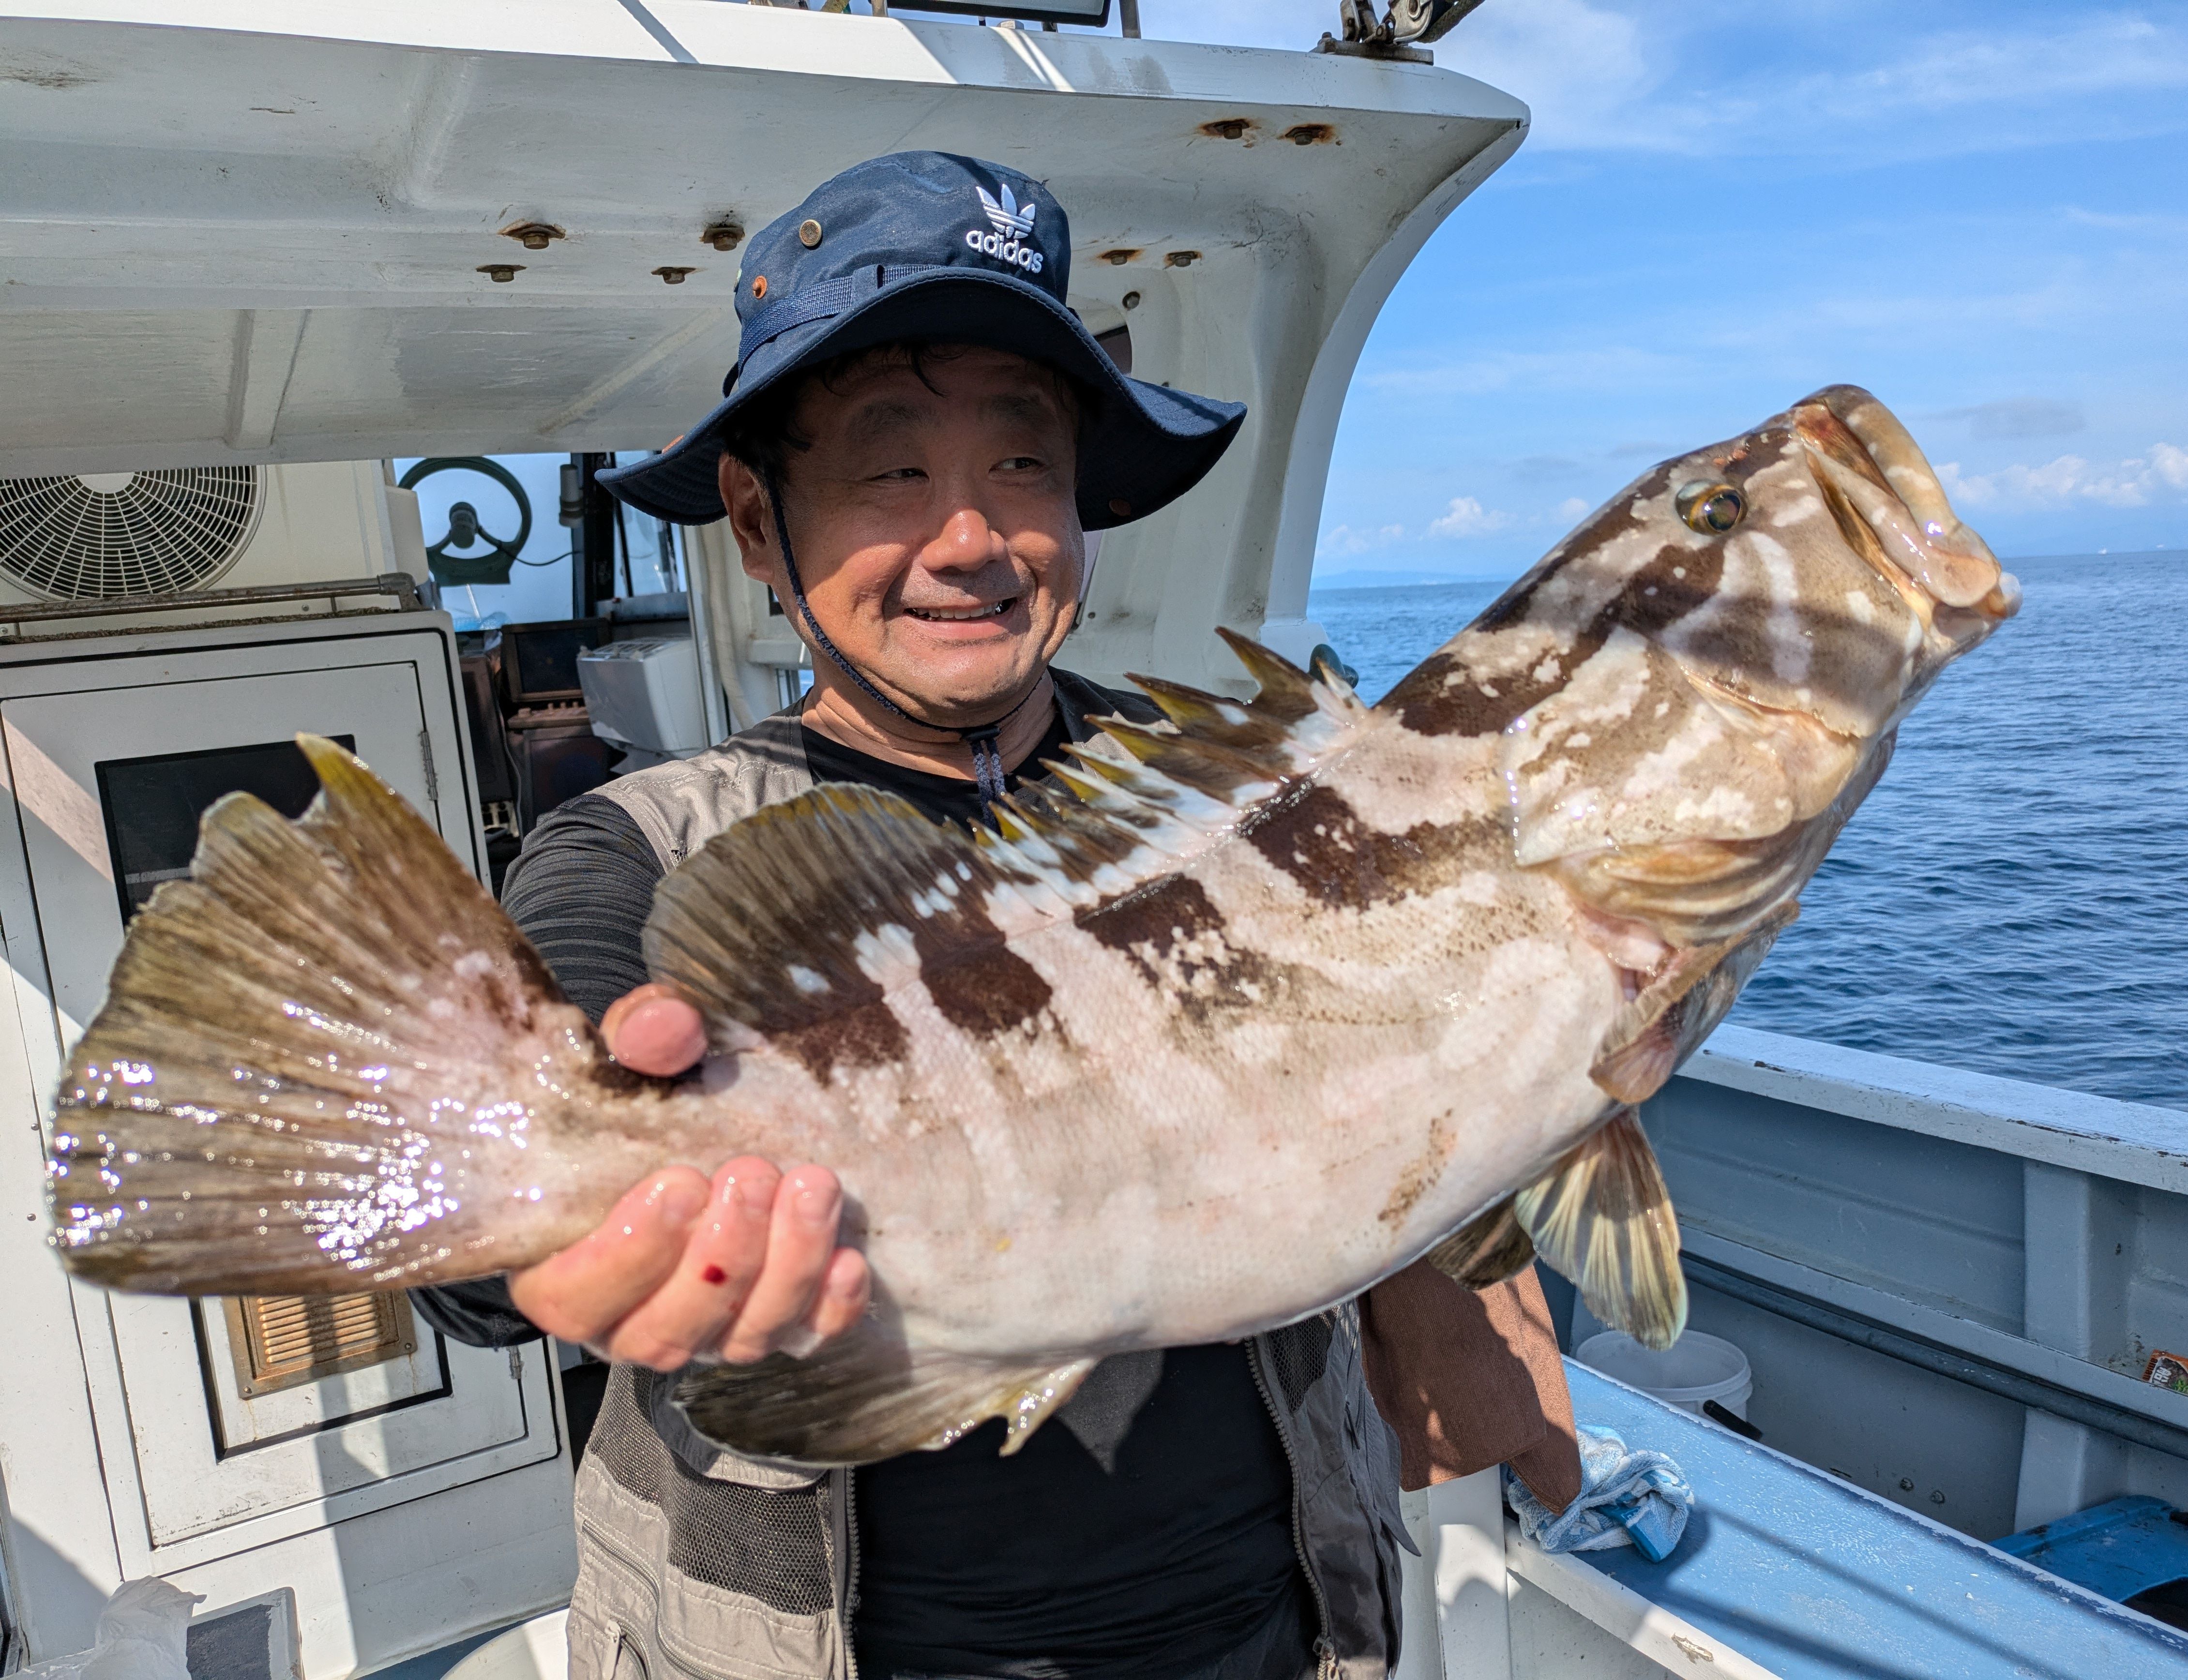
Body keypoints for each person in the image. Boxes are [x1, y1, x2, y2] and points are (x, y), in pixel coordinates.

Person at [414, 151, 1580, 1680]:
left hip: (1279, 1630)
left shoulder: (1247, 807)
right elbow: (495, 1188)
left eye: (1024, 465)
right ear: (759, 524)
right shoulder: (639, 847)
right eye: (891, 473)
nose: (970, 538)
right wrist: (550, 1207)